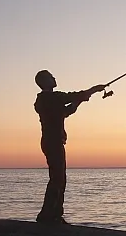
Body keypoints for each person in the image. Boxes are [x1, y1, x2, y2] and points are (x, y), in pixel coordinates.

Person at [33, 70, 105, 224]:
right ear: (44, 82)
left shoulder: (48, 100)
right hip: (52, 142)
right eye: (51, 77)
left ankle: (55, 215)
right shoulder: (50, 98)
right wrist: (93, 90)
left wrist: (81, 100)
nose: (54, 78)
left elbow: (68, 110)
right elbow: (72, 96)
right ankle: (47, 216)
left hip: (52, 142)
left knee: (60, 178)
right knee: (57, 179)